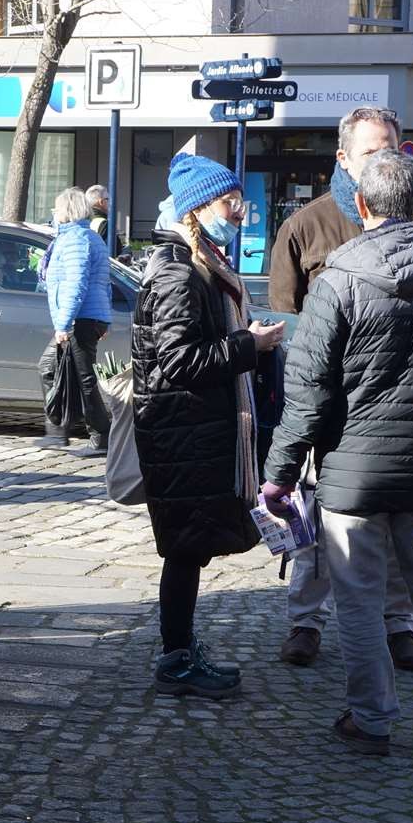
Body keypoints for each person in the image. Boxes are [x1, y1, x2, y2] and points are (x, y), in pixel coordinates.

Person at [263, 149, 413, 758]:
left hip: (351, 478)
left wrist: (280, 474)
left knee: (359, 600)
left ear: (361, 205)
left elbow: (308, 392)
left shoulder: (339, 279)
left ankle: (372, 720)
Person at [266, 105, 413, 673]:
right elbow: (286, 325)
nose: (383, 157)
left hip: (401, 405)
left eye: (391, 146)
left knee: (399, 529)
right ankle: (305, 620)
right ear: (343, 159)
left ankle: (399, 624)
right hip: (330, 410)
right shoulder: (305, 226)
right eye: (370, 150)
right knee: (313, 521)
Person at [134, 154, 285, 698]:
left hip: (193, 431)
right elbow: (179, 361)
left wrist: (248, 339)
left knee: (189, 546)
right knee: (185, 548)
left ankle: (179, 651)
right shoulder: (178, 269)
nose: (240, 212)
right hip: (182, 432)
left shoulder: (196, 260)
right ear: (199, 207)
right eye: (230, 202)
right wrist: (252, 344)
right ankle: (176, 659)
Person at [36, 186, 113, 455]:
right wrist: (104, 319)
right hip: (87, 316)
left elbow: (76, 284)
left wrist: (63, 324)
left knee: (84, 378)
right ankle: (58, 429)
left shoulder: (76, 239)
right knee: (50, 367)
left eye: (57, 208)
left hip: (79, 318)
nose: (54, 213)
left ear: (66, 210)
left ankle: (100, 436)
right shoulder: (84, 237)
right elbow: (104, 281)